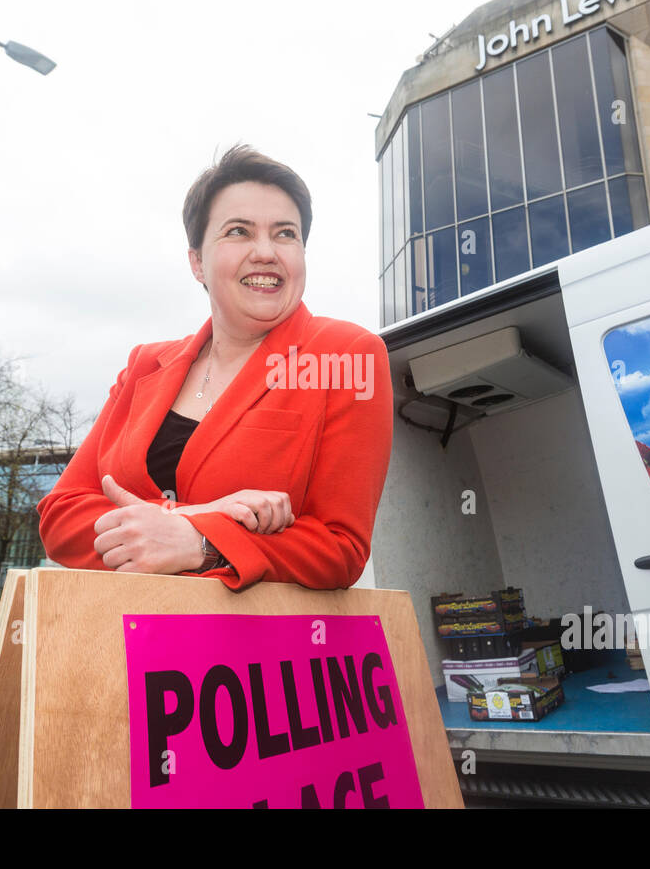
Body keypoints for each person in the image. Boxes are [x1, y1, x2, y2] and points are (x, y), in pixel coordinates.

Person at [38, 145, 393, 591]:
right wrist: (190, 517)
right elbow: (59, 517)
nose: (266, 252)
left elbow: (340, 548)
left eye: (286, 234)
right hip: (118, 643)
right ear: (197, 262)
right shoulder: (144, 364)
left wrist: (202, 542)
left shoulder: (348, 355)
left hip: (245, 654)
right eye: (239, 231)